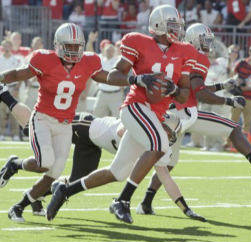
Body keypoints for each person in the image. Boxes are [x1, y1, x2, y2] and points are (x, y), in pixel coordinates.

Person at [46, 5, 201, 224]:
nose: (178, 29)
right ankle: (123, 200)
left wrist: (174, 90)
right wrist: (137, 79)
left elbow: (184, 95)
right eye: (172, 25)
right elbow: (114, 75)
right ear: (158, 25)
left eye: (178, 25)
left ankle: (65, 191)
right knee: (159, 145)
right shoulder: (139, 42)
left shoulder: (185, 51)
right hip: (135, 107)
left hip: (154, 115)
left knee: (116, 173)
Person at [0, 84, 205, 222]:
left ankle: (30, 192)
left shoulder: (157, 144)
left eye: (172, 135)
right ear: (160, 125)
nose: (168, 137)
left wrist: (186, 209)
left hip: (94, 143)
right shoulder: (144, 130)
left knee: (74, 180)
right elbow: (121, 130)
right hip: (86, 126)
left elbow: (166, 178)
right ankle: (5, 97)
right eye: (168, 131)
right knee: (32, 131)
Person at [136, 23, 251, 215]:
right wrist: (229, 100)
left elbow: (196, 87)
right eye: (204, 40)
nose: (208, 44)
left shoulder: (182, 53)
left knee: (168, 162)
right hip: (185, 112)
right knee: (232, 128)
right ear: (194, 40)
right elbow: (200, 94)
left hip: (172, 113)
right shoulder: (197, 56)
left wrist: (221, 85)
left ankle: (145, 202)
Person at [0, 23, 109, 222]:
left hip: (65, 124)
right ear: (58, 45)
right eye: (70, 45)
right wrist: (1, 78)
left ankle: (18, 206)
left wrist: (135, 80)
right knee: (45, 163)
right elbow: (19, 73)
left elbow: (107, 78)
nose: (74, 50)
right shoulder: (45, 59)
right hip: (42, 118)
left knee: (54, 172)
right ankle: (15, 164)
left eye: (78, 46)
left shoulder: (89, 61)